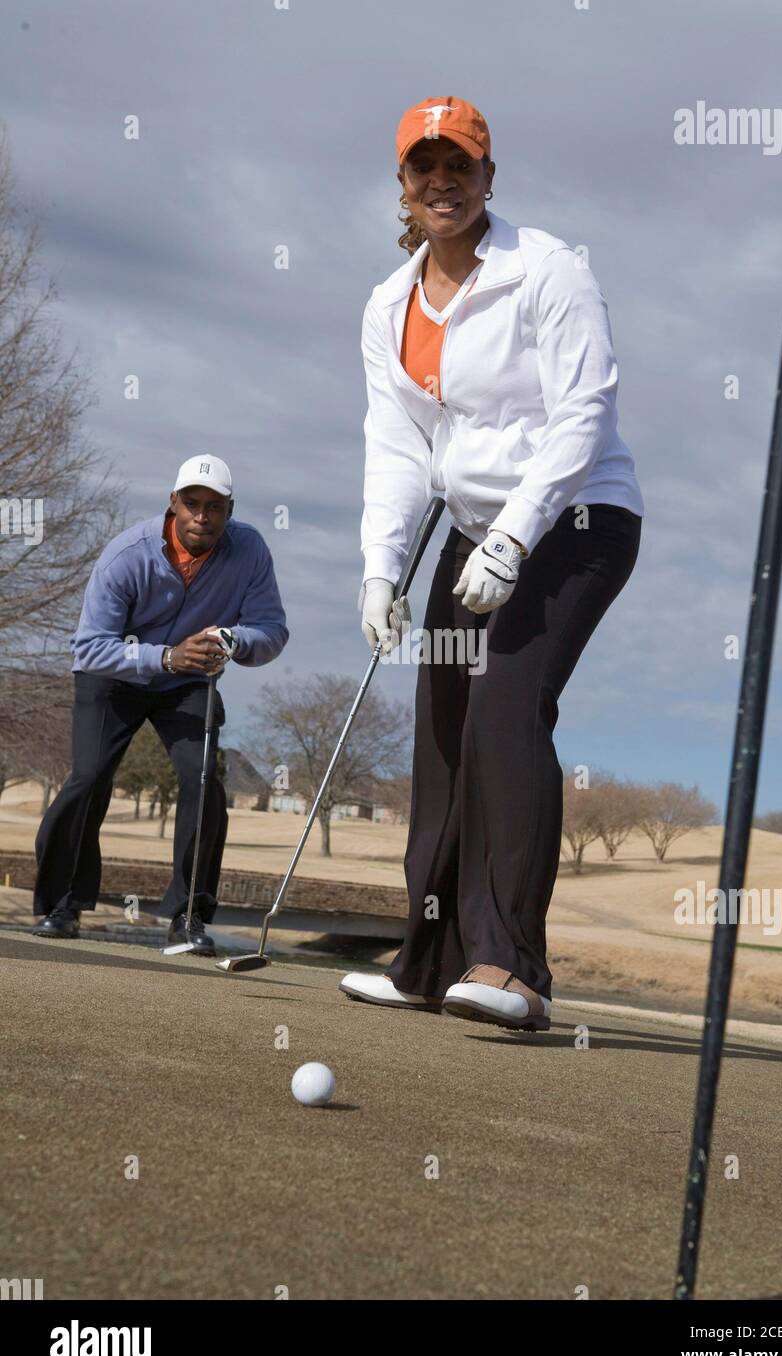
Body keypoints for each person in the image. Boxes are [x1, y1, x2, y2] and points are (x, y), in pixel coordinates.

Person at [341, 96, 643, 1030]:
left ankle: (512, 967)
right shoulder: (389, 305)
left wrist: (515, 537)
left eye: (460, 163)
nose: (443, 180)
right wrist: (381, 567)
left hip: (577, 523)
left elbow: (582, 413)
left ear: (488, 176)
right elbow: (395, 447)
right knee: (441, 734)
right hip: (474, 534)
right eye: (424, 165)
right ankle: (428, 962)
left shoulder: (548, 272)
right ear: (402, 182)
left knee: (505, 713)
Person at [32, 454, 289, 956]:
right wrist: (167, 656)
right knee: (88, 777)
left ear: (229, 510)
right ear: (172, 504)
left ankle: (188, 916)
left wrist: (235, 640)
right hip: (113, 676)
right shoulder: (127, 555)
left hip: (189, 681)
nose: (202, 516)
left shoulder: (250, 550)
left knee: (204, 778)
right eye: (191, 504)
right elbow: (88, 647)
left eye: (214, 507)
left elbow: (272, 630)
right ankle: (62, 907)